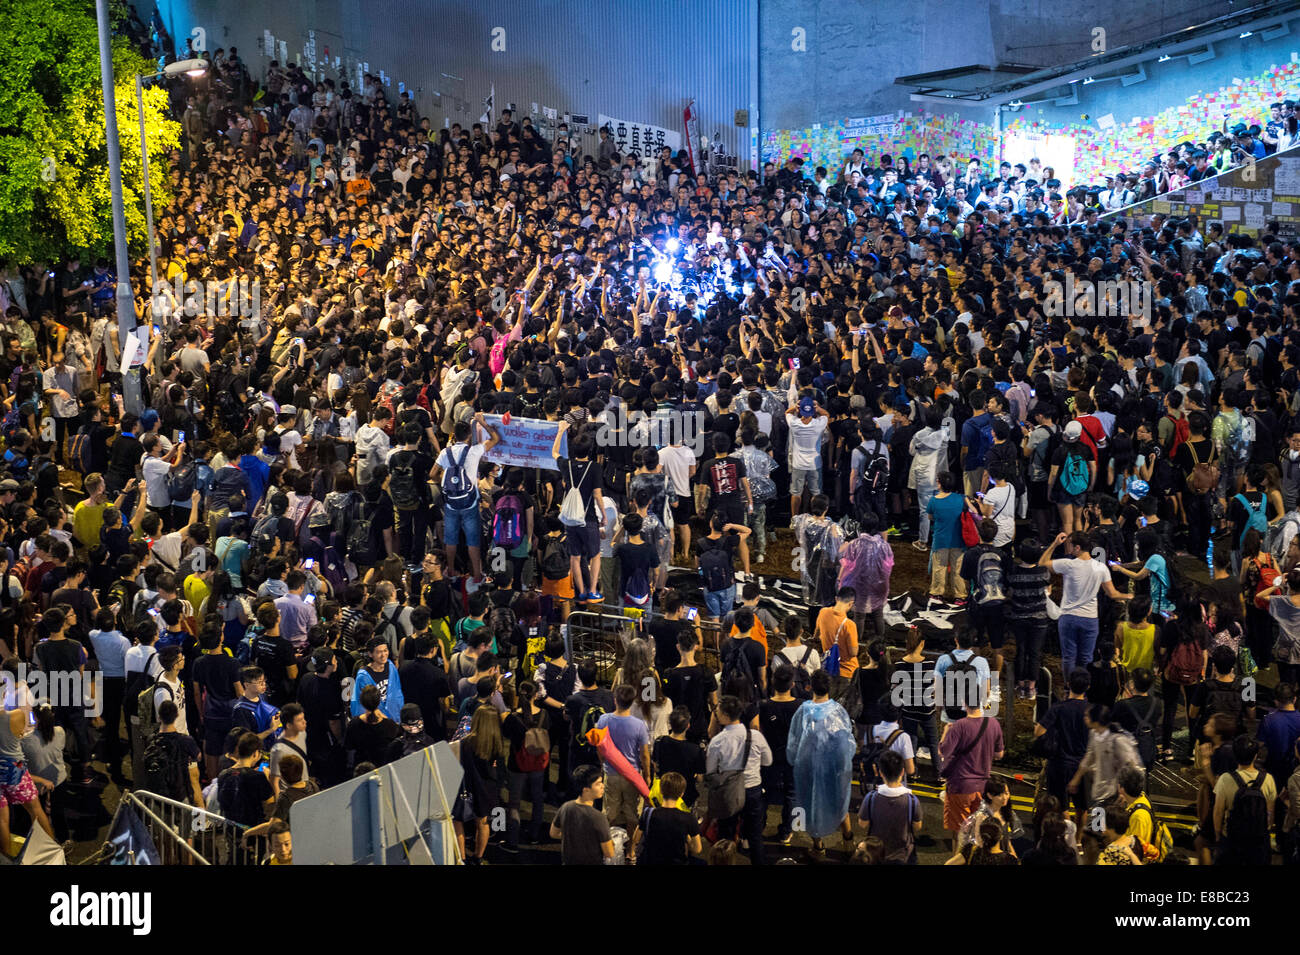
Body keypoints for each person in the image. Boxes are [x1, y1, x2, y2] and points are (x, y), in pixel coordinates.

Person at [1040, 530, 1132, 677]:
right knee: (1086, 658)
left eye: (1070, 545)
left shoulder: (1068, 564)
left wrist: (1054, 544)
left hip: (1068, 617)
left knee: (1069, 657)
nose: (1067, 547)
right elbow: (1112, 594)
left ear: (1077, 548)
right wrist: (1129, 596)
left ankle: (1069, 687)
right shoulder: (1101, 568)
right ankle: (1082, 688)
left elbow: (1042, 563)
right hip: (1089, 619)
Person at [787, 669, 855, 857]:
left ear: (811, 688)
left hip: (808, 768)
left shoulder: (804, 711)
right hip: (834, 768)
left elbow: (793, 742)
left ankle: (818, 846)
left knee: (811, 806)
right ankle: (849, 841)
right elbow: (847, 741)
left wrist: (794, 761)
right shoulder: (839, 711)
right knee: (840, 802)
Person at [706, 694, 773, 865]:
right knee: (755, 837)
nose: (716, 713)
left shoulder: (717, 741)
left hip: (729, 791)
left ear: (726, 715)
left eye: (718, 711)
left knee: (726, 837)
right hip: (753, 790)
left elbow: (711, 770)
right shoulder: (755, 736)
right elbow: (768, 760)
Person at [1213, 735, 1276, 865]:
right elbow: (1270, 813)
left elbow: (1218, 812)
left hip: (1232, 838)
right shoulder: (1268, 779)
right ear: (1255, 756)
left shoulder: (1225, 779)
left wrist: (1218, 835)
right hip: (1258, 839)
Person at [631, 771, 703, 864]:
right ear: (682, 794)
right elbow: (697, 849)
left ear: (661, 790)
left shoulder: (648, 813)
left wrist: (632, 851)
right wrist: (687, 838)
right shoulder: (689, 818)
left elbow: (636, 839)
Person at [550, 764, 615, 865]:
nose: (603, 786)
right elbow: (609, 853)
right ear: (586, 790)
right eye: (598, 784)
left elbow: (553, 833)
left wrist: (574, 837)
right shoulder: (598, 817)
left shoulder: (565, 807)